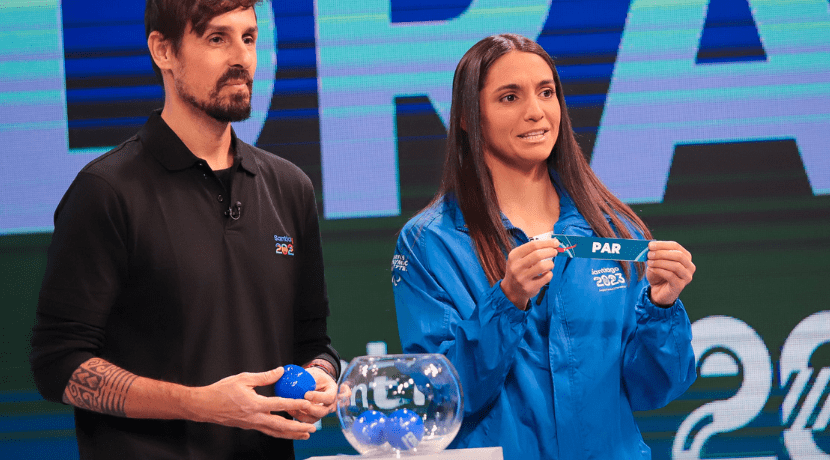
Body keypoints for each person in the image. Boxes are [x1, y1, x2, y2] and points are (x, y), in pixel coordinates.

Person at [29, 1, 339, 458]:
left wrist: (320, 377)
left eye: (249, 38)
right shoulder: (106, 191)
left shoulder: (290, 187)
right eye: (217, 38)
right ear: (163, 51)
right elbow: (58, 364)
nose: (241, 58)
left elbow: (315, 343)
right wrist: (200, 405)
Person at [391, 34, 697, 459]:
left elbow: (655, 390)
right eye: (510, 97)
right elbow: (436, 400)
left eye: (546, 92)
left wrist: (661, 309)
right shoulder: (431, 242)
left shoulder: (614, 229)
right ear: (466, 117)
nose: (535, 112)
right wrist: (507, 300)